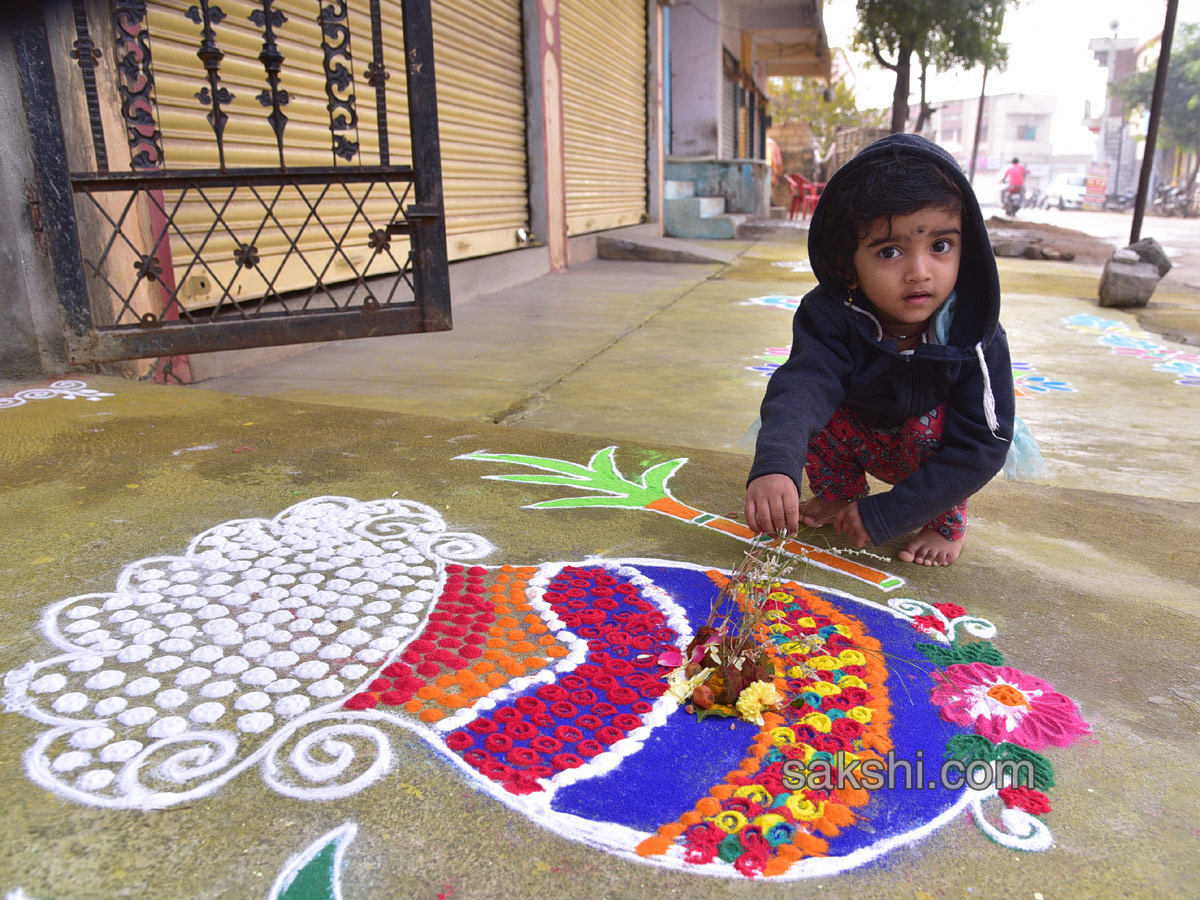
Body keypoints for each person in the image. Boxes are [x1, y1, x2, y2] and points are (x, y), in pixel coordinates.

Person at [743, 134, 1014, 566]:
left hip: (929, 449)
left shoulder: (974, 333)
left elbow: (981, 446)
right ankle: (841, 496)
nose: (920, 272)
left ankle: (945, 524)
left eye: (940, 246)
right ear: (845, 267)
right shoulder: (829, 315)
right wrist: (776, 465)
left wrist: (887, 515)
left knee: (933, 425)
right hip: (865, 432)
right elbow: (802, 387)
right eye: (890, 251)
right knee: (815, 410)